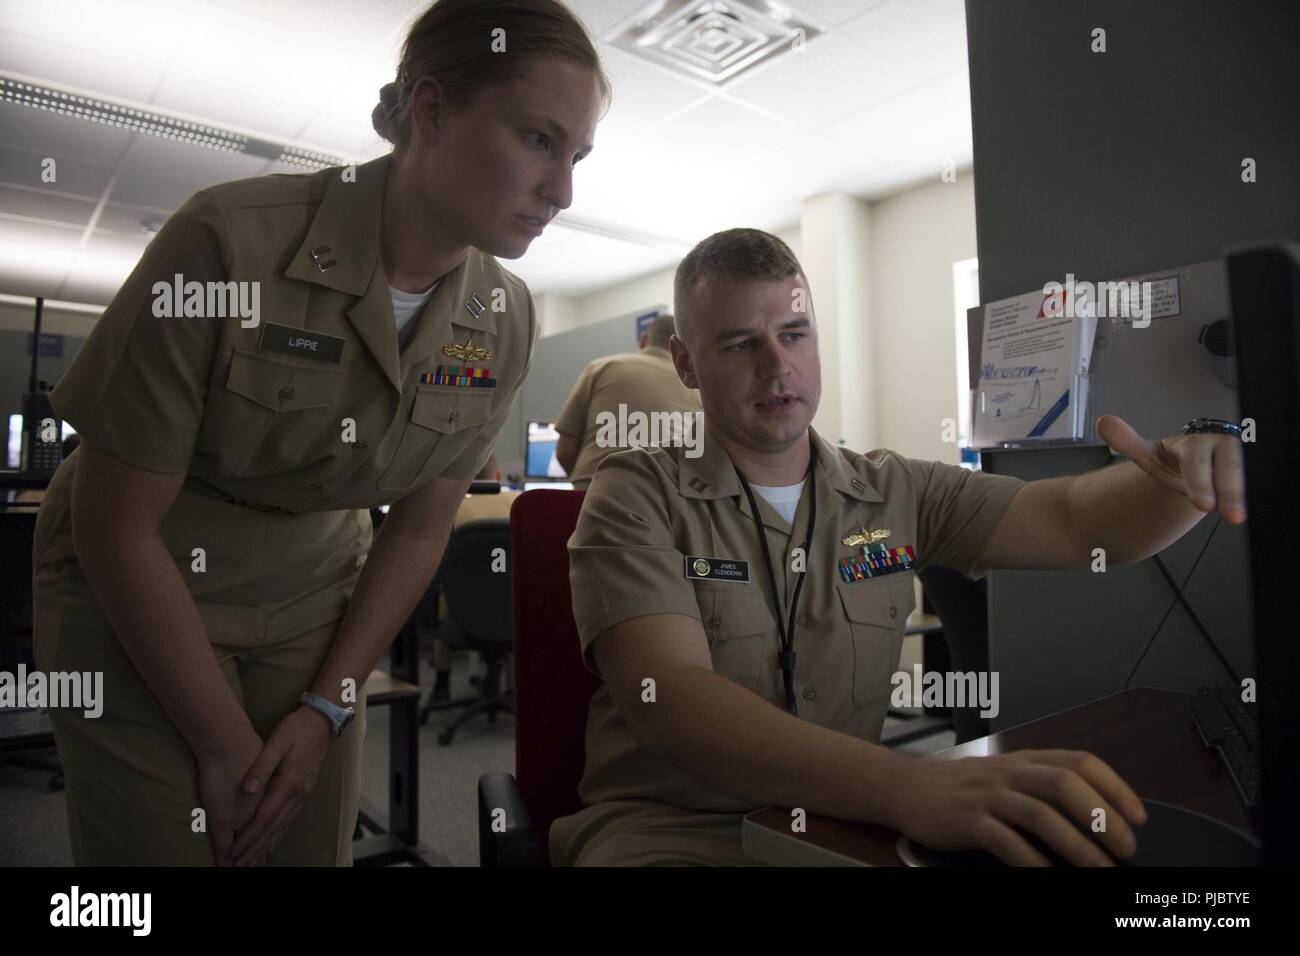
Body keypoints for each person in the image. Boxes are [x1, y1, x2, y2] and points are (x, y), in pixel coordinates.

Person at [31, 0, 606, 866]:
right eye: (536, 140)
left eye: (578, 157)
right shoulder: (229, 241)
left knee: (303, 846)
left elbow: (417, 527)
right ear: (432, 109)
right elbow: (116, 525)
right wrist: (225, 746)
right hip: (142, 580)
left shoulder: (502, 317)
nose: (562, 192)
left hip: (313, 595)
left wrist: (329, 705)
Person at [550, 227, 1247, 867]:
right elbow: (668, 700)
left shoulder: (892, 491)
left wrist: (1185, 477)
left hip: (841, 820)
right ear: (686, 363)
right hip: (672, 833)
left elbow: (1070, 520)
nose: (777, 366)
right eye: (739, 345)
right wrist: (908, 786)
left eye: (795, 334)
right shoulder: (635, 492)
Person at [555, 313, 701, 488]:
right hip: (663, 498)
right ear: (682, 350)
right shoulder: (696, 388)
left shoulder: (600, 368)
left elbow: (564, 451)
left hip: (591, 493)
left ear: (644, 339)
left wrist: (593, 484)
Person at [429, 455, 520, 701]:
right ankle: (513, 688)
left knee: (443, 596)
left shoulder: (453, 508)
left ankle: (441, 683)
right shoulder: (519, 504)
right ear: (498, 476)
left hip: (463, 615)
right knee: (511, 590)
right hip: (513, 617)